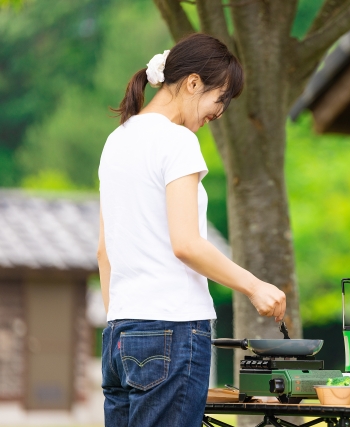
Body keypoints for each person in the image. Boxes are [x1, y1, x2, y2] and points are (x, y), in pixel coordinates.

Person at [97, 33, 286, 427]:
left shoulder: (117, 140)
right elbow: (186, 244)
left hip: (119, 333)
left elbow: (104, 251)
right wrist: (254, 285)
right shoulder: (177, 140)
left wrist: (120, 321)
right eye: (220, 98)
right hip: (172, 329)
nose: (220, 111)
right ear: (193, 82)